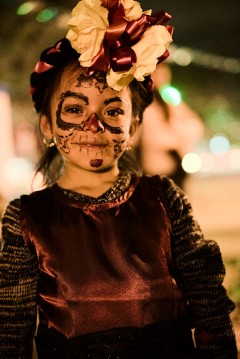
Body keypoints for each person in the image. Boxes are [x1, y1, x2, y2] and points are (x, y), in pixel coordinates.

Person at [0, 0, 237, 358]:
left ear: (134, 126)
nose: (92, 126)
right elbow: (11, 331)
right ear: (48, 125)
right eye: (75, 109)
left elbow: (209, 304)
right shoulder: (26, 220)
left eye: (111, 110)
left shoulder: (164, 199)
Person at [133, 63, 205, 189]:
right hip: (154, 166)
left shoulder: (170, 101)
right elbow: (150, 136)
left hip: (173, 166)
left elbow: (196, 126)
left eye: (164, 74)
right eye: (157, 74)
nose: (161, 78)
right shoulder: (143, 103)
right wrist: (174, 139)